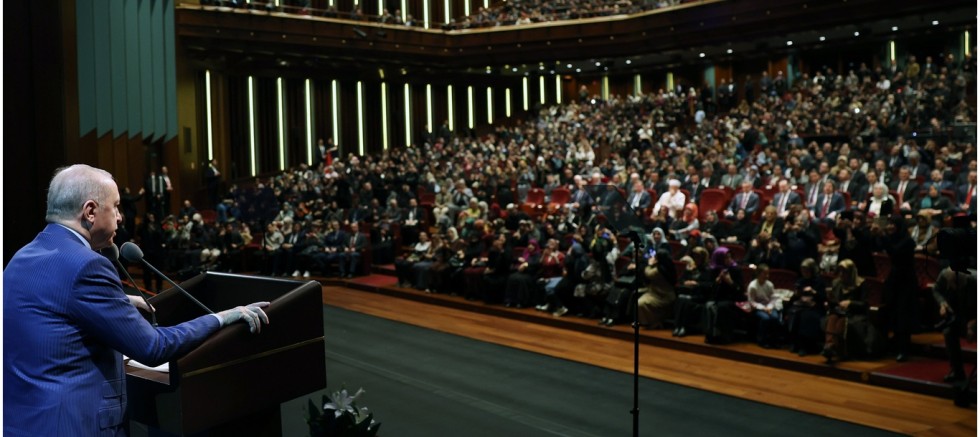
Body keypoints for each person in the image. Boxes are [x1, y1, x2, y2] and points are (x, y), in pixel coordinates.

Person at [3, 164, 269, 436]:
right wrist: (222, 317)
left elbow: (52, 306)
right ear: (90, 211)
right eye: (116, 207)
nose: (120, 217)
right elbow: (153, 348)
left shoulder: (22, 257)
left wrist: (118, 301)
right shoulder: (88, 266)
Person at [822, 259, 881, 363]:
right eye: (839, 271)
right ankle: (829, 345)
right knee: (832, 318)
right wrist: (830, 301)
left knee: (842, 322)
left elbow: (864, 304)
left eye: (844, 272)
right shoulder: (836, 283)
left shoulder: (861, 284)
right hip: (839, 311)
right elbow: (835, 301)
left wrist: (850, 303)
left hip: (855, 314)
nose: (841, 274)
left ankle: (837, 349)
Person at [634, 251, 677, 329]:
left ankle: (653, 322)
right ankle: (646, 322)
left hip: (662, 297)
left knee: (640, 303)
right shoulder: (668, 265)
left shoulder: (661, 269)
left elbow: (648, 274)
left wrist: (649, 264)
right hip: (655, 293)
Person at [746, 264, 782, 348]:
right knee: (765, 319)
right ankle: (762, 340)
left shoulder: (769, 284)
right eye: (765, 274)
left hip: (769, 306)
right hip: (757, 308)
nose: (767, 276)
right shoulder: (752, 286)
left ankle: (774, 341)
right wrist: (763, 308)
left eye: (768, 274)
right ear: (758, 274)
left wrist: (769, 307)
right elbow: (751, 301)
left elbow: (773, 298)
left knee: (775, 318)